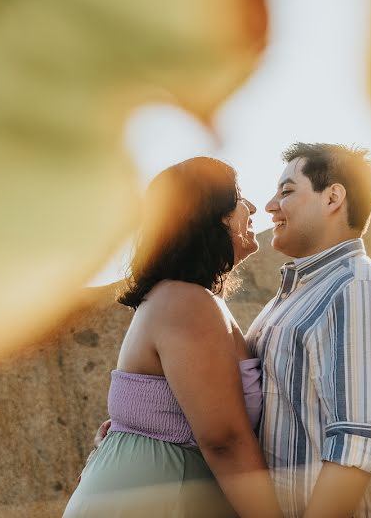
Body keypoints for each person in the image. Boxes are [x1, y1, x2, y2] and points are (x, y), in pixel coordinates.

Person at [63, 157, 283, 518]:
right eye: (239, 197)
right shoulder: (185, 301)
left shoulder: (182, 299)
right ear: (210, 216)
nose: (253, 207)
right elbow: (223, 440)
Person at [245, 143, 371, 517]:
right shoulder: (297, 294)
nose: (271, 205)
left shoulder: (359, 288)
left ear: (333, 198)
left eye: (287, 191)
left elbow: (356, 444)